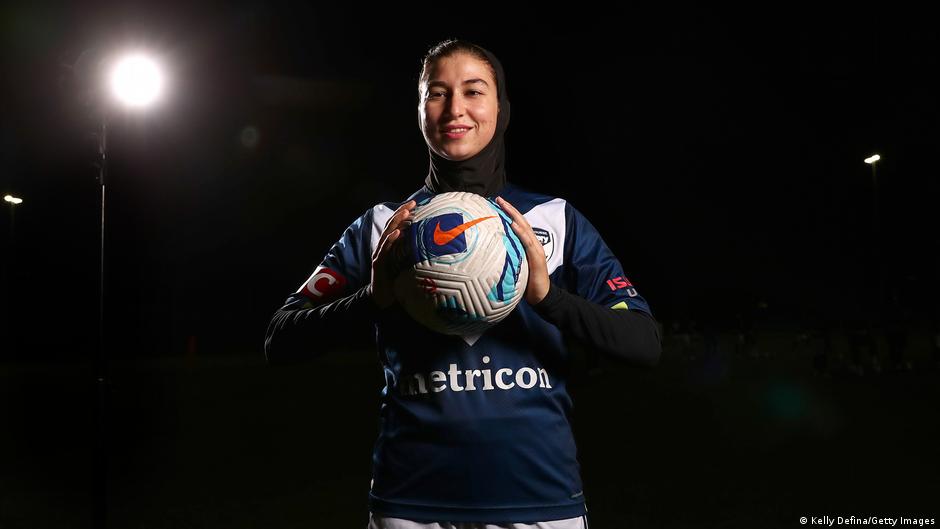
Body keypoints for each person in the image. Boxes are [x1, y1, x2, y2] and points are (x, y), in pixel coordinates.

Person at [264, 39, 662, 529]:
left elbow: (644, 342)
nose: (455, 108)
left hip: (540, 502)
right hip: (411, 506)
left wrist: (548, 299)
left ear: (502, 109)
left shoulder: (554, 220)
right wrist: (373, 299)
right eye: (437, 93)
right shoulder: (384, 227)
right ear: (419, 110)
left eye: (474, 91)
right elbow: (279, 339)